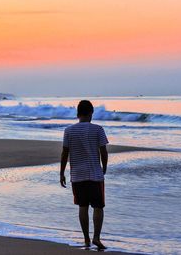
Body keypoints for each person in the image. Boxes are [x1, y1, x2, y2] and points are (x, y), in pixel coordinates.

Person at [60, 100, 109, 249]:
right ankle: (96, 238)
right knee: (98, 207)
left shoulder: (69, 130)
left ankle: (86, 239)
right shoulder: (98, 129)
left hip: (77, 175)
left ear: (78, 113)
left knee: (82, 206)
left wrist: (61, 173)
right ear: (90, 113)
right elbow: (103, 151)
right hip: (95, 174)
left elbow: (64, 153)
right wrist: (104, 167)